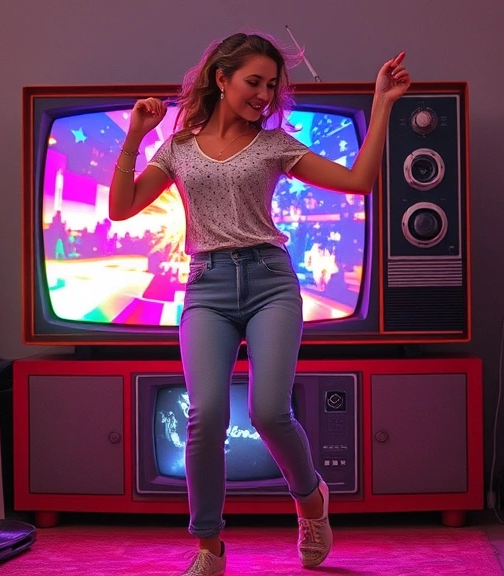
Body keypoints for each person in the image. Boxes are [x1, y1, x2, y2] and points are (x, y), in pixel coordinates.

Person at [107, 32, 409, 576]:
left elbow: (360, 181)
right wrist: (134, 137)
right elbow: (122, 207)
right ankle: (209, 547)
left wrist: (382, 103)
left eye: (271, 86)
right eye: (254, 82)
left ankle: (311, 499)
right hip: (208, 288)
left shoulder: (274, 145)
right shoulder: (176, 148)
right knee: (207, 416)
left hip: (271, 282)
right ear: (221, 79)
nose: (263, 95)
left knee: (270, 411)